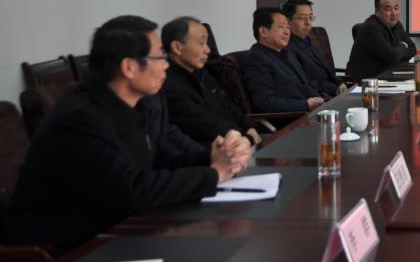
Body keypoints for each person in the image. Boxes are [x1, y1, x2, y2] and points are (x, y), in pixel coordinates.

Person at [4, 16, 250, 250]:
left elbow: (162, 160)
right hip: (63, 251)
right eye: (159, 57)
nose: (166, 65)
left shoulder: (135, 105)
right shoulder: (79, 117)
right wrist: (214, 174)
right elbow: (130, 190)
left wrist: (215, 158)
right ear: (129, 67)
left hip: (119, 232)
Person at [161, 16, 262, 147]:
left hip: (238, 141)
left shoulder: (201, 73)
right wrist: (247, 137)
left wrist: (250, 127)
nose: (208, 50)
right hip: (212, 148)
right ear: (177, 47)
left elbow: (228, 107)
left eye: (207, 43)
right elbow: (202, 123)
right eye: (201, 43)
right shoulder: (167, 83)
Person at [244, 7, 324, 113]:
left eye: (288, 27)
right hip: (289, 118)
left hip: (308, 112)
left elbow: (302, 85)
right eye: (281, 27)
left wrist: (318, 99)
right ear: (263, 31)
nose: (287, 32)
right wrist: (306, 105)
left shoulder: (286, 53)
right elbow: (265, 102)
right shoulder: (257, 59)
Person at [346, 0, 417, 82]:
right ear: (377, 11)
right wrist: (402, 46)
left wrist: (397, 53)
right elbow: (393, 56)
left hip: (385, 76)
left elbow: (412, 49)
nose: (394, 13)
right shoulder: (370, 28)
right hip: (364, 83)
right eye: (388, 9)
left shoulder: (397, 25)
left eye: (396, 8)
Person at [282, 0, 343, 97]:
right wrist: (335, 88)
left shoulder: (308, 40)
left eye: (310, 17)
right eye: (302, 18)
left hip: (332, 91)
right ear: (288, 21)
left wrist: (340, 83)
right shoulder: (287, 47)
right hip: (319, 97)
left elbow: (325, 70)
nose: (308, 23)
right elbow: (305, 81)